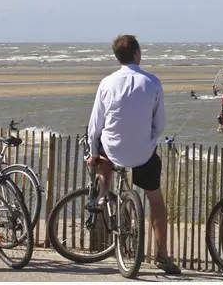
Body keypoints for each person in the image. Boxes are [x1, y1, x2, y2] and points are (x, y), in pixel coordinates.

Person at [86, 35, 181, 275]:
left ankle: (103, 195)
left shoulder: (107, 83)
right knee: (156, 201)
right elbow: (160, 125)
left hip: (113, 150)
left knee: (103, 151)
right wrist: (148, 138)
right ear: (138, 54)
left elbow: (95, 125)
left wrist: (92, 152)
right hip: (143, 152)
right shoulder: (152, 82)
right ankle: (163, 256)